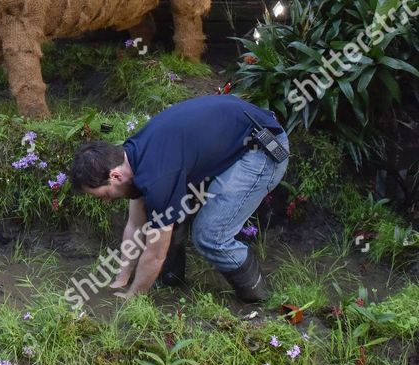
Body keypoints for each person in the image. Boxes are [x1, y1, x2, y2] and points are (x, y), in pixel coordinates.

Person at [69, 94, 289, 303]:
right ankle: (172, 279)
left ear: (115, 176)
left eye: (105, 195)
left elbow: (155, 255)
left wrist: (133, 296)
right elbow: (135, 225)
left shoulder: (157, 178)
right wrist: (122, 279)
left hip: (263, 147)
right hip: (238, 136)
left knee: (210, 236)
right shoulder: (132, 156)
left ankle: (258, 295)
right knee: (162, 215)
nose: (107, 201)